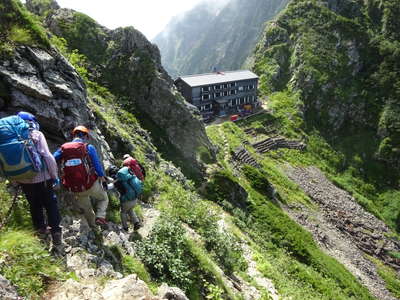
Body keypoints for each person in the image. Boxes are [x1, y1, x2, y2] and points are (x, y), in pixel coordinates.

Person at [16, 112, 62, 246]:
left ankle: (41, 232)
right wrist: (54, 176)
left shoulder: (10, 137)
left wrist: (15, 179)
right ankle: (56, 232)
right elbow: (47, 156)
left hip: (23, 180)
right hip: (43, 179)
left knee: (34, 206)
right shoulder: (36, 134)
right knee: (50, 204)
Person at [53, 126, 109, 228]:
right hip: (90, 184)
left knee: (87, 209)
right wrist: (102, 177)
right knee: (104, 198)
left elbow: (52, 159)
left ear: (73, 135)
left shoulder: (63, 148)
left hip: (74, 188)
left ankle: (93, 228)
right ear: (86, 137)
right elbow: (97, 165)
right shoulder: (88, 147)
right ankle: (100, 217)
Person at [108, 165, 142, 231]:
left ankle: (125, 227)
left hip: (126, 200)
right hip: (135, 198)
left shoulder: (116, 180)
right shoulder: (127, 175)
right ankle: (136, 222)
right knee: (130, 210)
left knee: (123, 212)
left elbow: (109, 187)